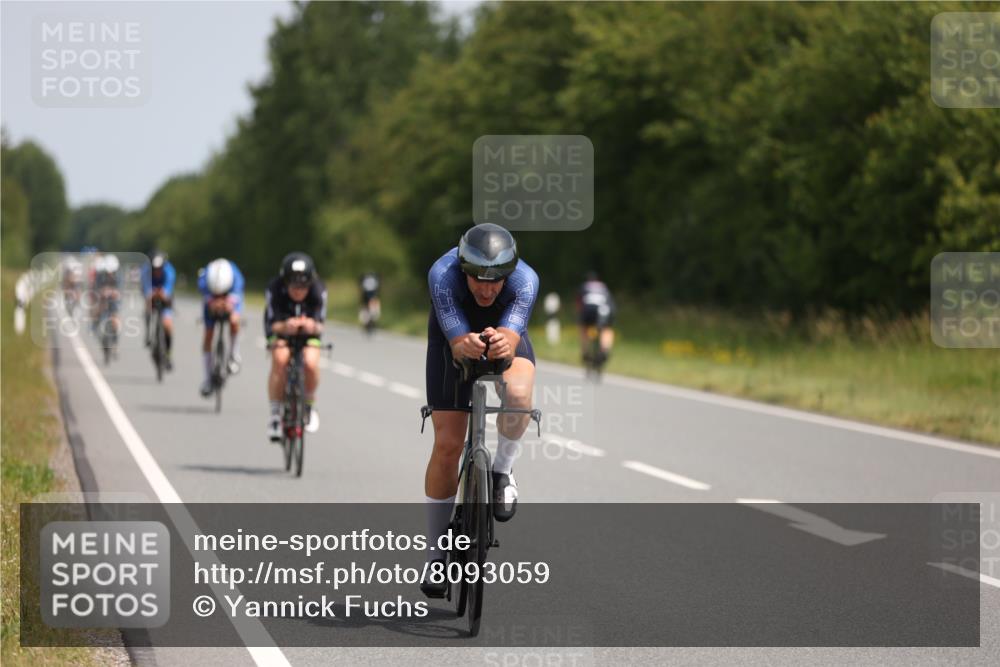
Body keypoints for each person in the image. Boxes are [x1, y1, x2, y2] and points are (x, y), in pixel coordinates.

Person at [420, 223, 538, 598]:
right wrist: (462, 341)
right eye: (478, 280)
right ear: (463, 269)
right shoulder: (443, 275)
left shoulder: (525, 281)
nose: (487, 289)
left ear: (509, 273)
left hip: (503, 332)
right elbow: (456, 342)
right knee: (448, 444)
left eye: (496, 281)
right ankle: (437, 554)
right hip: (451, 336)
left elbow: (513, 336)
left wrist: (503, 342)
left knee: (519, 395)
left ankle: (502, 471)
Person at [264, 252, 327, 441]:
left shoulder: (318, 290)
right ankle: (275, 415)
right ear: (285, 282)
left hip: (309, 335)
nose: (299, 291)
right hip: (281, 331)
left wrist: (311, 325)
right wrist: (285, 326)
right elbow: (271, 323)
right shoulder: (274, 289)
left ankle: (309, 405)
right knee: (280, 359)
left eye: (303, 286)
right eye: (294, 286)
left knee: (310, 362)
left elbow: (320, 324)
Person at [197, 258, 246, 396]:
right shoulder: (205, 278)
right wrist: (212, 301)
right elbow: (203, 292)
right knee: (208, 334)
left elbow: (238, 296)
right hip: (210, 301)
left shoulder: (235, 276)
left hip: (231, 298)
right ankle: (207, 379)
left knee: (234, 321)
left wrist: (229, 304)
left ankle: (234, 355)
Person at [141, 251, 177, 370]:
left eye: (159, 269)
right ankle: (148, 333)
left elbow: (168, 287)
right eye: (154, 269)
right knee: (148, 307)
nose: (156, 271)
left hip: (164, 297)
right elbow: (146, 288)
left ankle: (168, 354)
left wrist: (163, 293)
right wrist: (150, 294)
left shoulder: (169, 271)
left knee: (167, 325)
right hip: (151, 294)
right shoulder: (145, 271)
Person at [576, 270, 616, 365]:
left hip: (588, 310)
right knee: (606, 329)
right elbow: (611, 303)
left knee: (584, 328)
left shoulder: (584, 286)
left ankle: (585, 351)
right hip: (604, 309)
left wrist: (580, 318)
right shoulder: (604, 287)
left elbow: (579, 304)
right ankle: (604, 350)